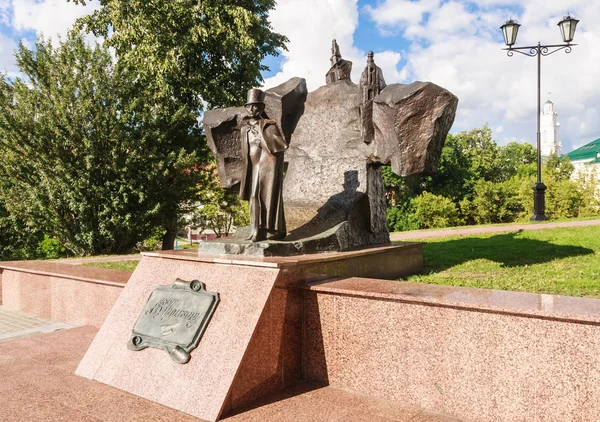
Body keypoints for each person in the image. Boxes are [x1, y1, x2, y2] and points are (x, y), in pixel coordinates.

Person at [239, 88, 287, 242]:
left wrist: (265, 143)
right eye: (249, 106)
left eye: (255, 106)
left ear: (261, 108)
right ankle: (255, 229)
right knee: (253, 197)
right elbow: (245, 152)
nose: (251, 109)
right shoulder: (244, 129)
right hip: (252, 167)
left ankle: (261, 231)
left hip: (265, 166)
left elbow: (279, 147)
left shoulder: (268, 125)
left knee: (261, 196)